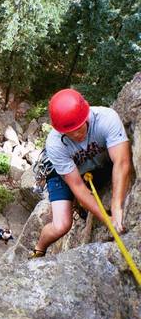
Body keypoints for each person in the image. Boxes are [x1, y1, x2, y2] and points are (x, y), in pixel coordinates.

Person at [30, 88, 132, 258]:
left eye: (79, 127)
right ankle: (39, 249)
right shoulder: (55, 144)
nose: (77, 134)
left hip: (94, 167)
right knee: (61, 225)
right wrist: (107, 220)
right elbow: (76, 185)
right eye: (69, 132)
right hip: (62, 176)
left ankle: (79, 204)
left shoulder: (106, 119)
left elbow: (121, 162)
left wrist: (116, 206)